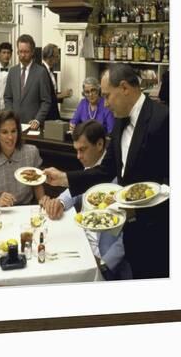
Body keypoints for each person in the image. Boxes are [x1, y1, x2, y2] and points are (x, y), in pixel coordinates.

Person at [44, 63, 169, 279]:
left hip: (156, 229)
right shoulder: (120, 122)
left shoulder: (163, 118)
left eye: (107, 95)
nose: (105, 103)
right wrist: (64, 178)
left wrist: (138, 211)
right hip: (128, 230)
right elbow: (105, 170)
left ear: (124, 88)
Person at [44, 120, 131, 280]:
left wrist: (105, 263)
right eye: (76, 150)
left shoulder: (120, 178)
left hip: (102, 256)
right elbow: (78, 191)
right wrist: (60, 202)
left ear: (99, 144)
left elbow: (129, 233)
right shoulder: (90, 166)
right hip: (80, 240)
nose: (78, 157)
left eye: (82, 150)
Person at [3, 34, 52, 130]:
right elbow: (8, 97)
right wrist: (10, 116)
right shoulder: (12, 71)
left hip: (33, 126)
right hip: (15, 125)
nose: (22, 55)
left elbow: (46, 101)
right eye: (20, 51)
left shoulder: (41, 72)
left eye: (26, 52)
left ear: (32, 52)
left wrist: (38, 120)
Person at [42, 43, 72, 120]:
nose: (58, 59)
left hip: (53, 113)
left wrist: (63, 95)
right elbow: (44, 97)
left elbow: (52, 93)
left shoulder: (51, 71)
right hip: (46, 115)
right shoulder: (41, 72)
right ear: (50, 57)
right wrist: (61, 95)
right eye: (57, 56)